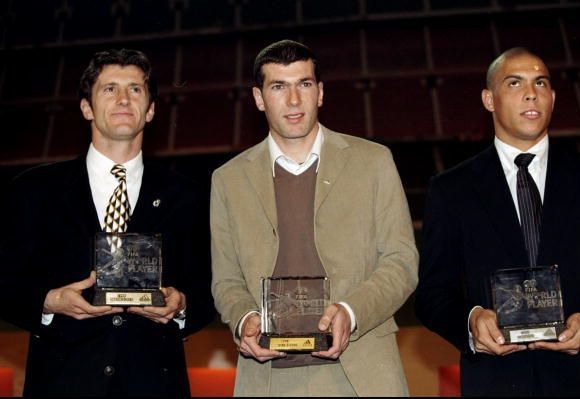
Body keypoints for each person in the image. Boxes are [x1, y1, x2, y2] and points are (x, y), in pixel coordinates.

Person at [0, 48, 214, 397]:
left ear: (151, 109)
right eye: (109, 89)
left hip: (154, 384)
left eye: (135, 89)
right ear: (87, 107)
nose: (123, 99)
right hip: (62, 383)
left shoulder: (188, 196)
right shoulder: (34, 190)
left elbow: (211, 288)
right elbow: (5, 281)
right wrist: (50, 300)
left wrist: (181, 305)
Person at [210, 39, 418, 396]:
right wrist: (245, 319)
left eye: (304, 84)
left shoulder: (374, 162)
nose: (293, 101)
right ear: (259, 98)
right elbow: (226, 280)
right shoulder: (228, 179)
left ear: (319, 92)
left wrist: (350, 313)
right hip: (268, 377)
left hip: (362, 370)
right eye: (279, 87)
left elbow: (402, 262)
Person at [414, 47, 580, 396]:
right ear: (489, 99)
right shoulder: (452, 189)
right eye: (514, 83)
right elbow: (432, 296)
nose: (531, 92)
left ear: (553, 97)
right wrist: (472, 321)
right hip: (495, 382)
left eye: (540, 82)